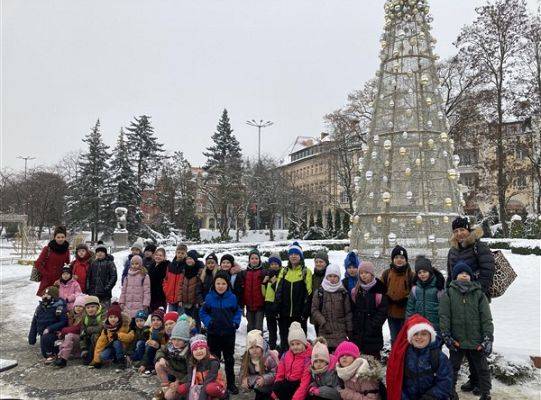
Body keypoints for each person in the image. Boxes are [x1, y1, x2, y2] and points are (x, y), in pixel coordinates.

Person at [447, 216, 495, 396]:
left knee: (476, 341)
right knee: (463, 340)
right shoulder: (452, 251)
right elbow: (450, 275)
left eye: (462, 230)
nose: (459, 234)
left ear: (468, 229)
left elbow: (487, 271)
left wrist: (477, 292)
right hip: (457, 301)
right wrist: (448, 294)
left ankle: (478, 381)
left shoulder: (479, 246)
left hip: (477, 300)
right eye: (456, 231)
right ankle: (474, 378)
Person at [439, 262, 494, 400]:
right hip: (457, 340)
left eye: (467, 273)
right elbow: (444, 316)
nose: (464, 275)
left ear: (471, 277)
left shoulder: (479, 294)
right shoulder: (449, 293)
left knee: (482, 368)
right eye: (460, 273)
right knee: (452, 367)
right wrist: (446, 334)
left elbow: (486, 318)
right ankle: (450, 392)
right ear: (454, 277)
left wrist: (488, 337)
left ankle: (485, 392)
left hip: (476, 339)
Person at [386, 315, 453, 400]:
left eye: (424, 334)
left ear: (430, 336)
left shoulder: (439, 357)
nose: (419, 337)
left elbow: (445, 382)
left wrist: (429, 397)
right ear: (410, 337)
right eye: (415, 334)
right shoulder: (403, 355)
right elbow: (398, 382)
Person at [201, 271, 242, 395]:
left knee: (229, 359)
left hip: (228, 334)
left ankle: (231, 383)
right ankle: (214, 382)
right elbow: (203, 312)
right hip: (213, 334)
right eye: (218, 283)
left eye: (223, 283)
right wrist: (209, 322)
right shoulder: (209, 297)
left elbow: (238, 311)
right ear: (214, 284)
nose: (220, 286)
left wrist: (235, 323)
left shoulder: (232, 297)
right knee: (214, 360)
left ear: (228, 284)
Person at [275, 242, 313, 351]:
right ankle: (285, 364)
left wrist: (305, 313)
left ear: (300, 256)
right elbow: (278, 291)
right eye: (291, 254)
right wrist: (277, 309)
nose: (293, 256)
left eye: (296, 254)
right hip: (284, 314)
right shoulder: (284, 271)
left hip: (299, 314)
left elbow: (308, 293)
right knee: (285, 341)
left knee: (300, 342)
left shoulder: (306, 272)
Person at [350, 261, 388, 359]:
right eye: (361, 273)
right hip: (358, 332)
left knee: (373, 360)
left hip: (373, 333)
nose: (364, 275)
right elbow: (353, 309)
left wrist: (373, 325)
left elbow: (382, 311)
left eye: (366, 273)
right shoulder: (356, 291)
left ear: (371, 274)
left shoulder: (379, 290)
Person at [310, 263, 352, 352]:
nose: (332, 279)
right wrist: (323, 322)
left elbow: (348, 312)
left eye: (335, 276)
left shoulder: (343, 292)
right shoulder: (320, 292)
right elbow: (314, 309)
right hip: (325, 331)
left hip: (340, 332)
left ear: (339, 277)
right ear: (326, 277)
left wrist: (349, 329)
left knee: (340, 358)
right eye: (330, 276)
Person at [176, 335, 228, 400]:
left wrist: (201, 398)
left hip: (213, 384)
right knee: (181, 389)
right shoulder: (191, 363)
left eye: (201, 348)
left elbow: (209, 381)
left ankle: (223, 395)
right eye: (195, 349)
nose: (198, 351)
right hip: (199, 385)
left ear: (206, 349)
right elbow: (190, 380)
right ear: (192, 352)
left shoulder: (213, 362)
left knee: (210, 388)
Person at [381, 245, 415, 344]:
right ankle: (395, 357)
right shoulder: (387, 273)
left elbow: (415, 291)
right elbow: (380, 290)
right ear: (392, 259)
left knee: (406, 339)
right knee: (395, 338)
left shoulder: (411, 275)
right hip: (391, 313)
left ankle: (406, 358)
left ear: (406, 260)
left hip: (406, 314)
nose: (399, 260)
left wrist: (406, 299)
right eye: (396, 257)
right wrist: (386, 298)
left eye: (402, 258)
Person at [154, 314, 193, 400]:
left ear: (186, 340)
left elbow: (190, 373)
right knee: (158, 364)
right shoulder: (171, 345)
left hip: (183, 376)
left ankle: (178, 393)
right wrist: (161, 358)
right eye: (174, 339)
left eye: (179, 340)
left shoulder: (189, 352)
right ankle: (166, 387)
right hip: (174, 370)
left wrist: (179, 382)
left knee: (169, 397)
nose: (176, 342)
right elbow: (160, 350)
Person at [272, 321, 312, 400]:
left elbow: (304, 383)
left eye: (298, 344)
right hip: (288, 383)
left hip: (299, 385)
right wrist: (275, 392)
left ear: (304, 343)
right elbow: (280, 375)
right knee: (277, 386)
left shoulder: (307, 359)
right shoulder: (286, 355)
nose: (295, 347)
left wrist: (296, 398)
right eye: (292, 344)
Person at [28, 286, 68, 364]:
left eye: (47, 295)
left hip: (55, 334)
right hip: (43, 335)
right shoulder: (40, 308)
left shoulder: (59, 307)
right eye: (43, 295)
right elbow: (34, 322)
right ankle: (49, 353)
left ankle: (54, 354)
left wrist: (50, 328)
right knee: (44, 353)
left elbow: (63, 321)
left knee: (49, 344)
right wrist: (32, 337)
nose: (44, 297)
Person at [406, 256, 445, 333]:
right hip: (419, 326)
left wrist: (443, 328)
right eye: (419, 272)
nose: (422, 274)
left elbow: (444, 310)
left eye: (424, 272)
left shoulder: (438, 288)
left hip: (435, 327)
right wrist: (409, 324)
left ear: (430, 272)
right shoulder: (415, 289)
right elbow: (410, 309)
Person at [90, 302, 134, 369]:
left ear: (119, 317)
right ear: (108, 318)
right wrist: (97, 361)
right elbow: (100, 344)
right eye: (111, 317)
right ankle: (115, 358)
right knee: (102, 356)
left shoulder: (125, 326)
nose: (113, 319)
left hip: (123, 348)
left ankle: (121, 360)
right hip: (112, 348)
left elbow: (130, 337)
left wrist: (118, 336)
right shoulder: (106, 329)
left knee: (116, 342)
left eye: (115, 317)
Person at [239, 329, 279, 400]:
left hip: (270, 385)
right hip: (258, 384)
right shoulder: (247, 359)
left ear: (262, 347)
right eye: (251, 347)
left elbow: (275, 373)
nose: (254, 350)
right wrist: (244, 379)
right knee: (259, 391)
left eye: (257, 347)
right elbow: (242, 372)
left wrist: (264, 379)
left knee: (265, 394)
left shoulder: (268, 358)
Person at [34, 225, 70, 296]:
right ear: (54, 237)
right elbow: (38, 263)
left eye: (62, 237)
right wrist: (47, 275)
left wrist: (61, 279)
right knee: (46, 303)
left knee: (59, 304)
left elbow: (67, 266)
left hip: (60, 282)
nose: (60, 239)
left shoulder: (66, 250)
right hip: (47, 281)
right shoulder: (48, 249)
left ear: (65, 237)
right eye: (58, 237)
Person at [54, 294, 86, 367]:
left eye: (81, 306)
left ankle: (63, 359)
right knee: (60, 341)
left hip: (81, 340)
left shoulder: (84, 317)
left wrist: (63, 331)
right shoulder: (71, 315)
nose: (78, 308)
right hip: (71, 340)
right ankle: (59, 356)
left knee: (69, 336)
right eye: (76, 306)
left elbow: (77, 329)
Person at [238, 249, 266, 332]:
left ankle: (259, 343)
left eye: (256, 258)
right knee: (250, 326)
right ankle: (250, 343)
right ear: (249, 260)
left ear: (259, 260)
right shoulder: (244, 273)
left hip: (260, 306)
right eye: (252, 258)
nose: (254, 260)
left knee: (258, 327)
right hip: (249, 306)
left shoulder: (263, 272)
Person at [119, 255, 151, 319]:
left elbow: (147, 291)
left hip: (139, 304)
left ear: (140, 264)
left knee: (137, 322)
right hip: (128, 305)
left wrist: (145, 303)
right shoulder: (127, 277)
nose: (134, 265)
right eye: (132, 264)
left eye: (136, 264)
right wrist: (121, 302)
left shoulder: (144, 276)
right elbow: (123, 291)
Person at [179, 250, 204, 331]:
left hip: (195, 302)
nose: (189, 260)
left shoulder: (199, 271)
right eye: (187, 258)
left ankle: (198, 334)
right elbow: (180, 285)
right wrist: (180, 299)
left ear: (195, 260)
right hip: (185, 301)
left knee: (196, 320)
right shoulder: (184, 270)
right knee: (187, 320)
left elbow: (200, 288)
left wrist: (198, 301)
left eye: (191, 259)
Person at [138, 308, 168, 374]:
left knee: (151, 347)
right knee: (145, 345)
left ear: (163, 321)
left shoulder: (165, 331)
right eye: (153, 320)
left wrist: (158, 346)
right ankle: (145, 364)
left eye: (158, 320)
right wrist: (143, 364)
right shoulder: (151, 330)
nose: (155, 322)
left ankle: (152, 366)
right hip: (154, 353)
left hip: (164, 355)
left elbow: (168, 347)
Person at [263, 252, 282, 350]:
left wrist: (275, 283)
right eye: (272, 264)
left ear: (279, 264)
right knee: (271, 330)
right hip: (269, 305)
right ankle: (272, 348)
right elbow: (263, 293)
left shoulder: (282, 275)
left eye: (276, 264)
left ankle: (283, 348)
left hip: (278, 305)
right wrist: (264, 282)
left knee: (282, 329)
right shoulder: (268, 274)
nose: (274, 266)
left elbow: (280, 292)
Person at [79, 295, 105, 365]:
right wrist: (83, 348)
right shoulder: (85, 317)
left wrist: (88, 329)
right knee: (85, 336)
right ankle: (87, 354)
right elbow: (82, 332)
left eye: (92, 307)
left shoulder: (103, 314)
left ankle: (96, 357)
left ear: (97, 307)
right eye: (88, 308)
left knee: (95, 335)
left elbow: (102, 327)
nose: (90, 309)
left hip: (102, 337)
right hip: (89, 337)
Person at [163, 244, 187, 313]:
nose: (180, 255)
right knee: (171, 319)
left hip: (181, 299)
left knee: (180, 319)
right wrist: (166, 290)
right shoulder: (170, 265)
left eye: (182, 253)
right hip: (170, 297)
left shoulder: (186, 266)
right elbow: (166, 279)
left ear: (186, 254)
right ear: (176, 253)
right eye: (178, 252)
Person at [149, 247, 169, 312]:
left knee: (159, 316)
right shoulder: (152, 265)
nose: (158, 257)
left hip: (161, 296)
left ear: (164, 257)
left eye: (160, 255)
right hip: (151, 295)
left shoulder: (166, 266)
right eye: (157, 255)